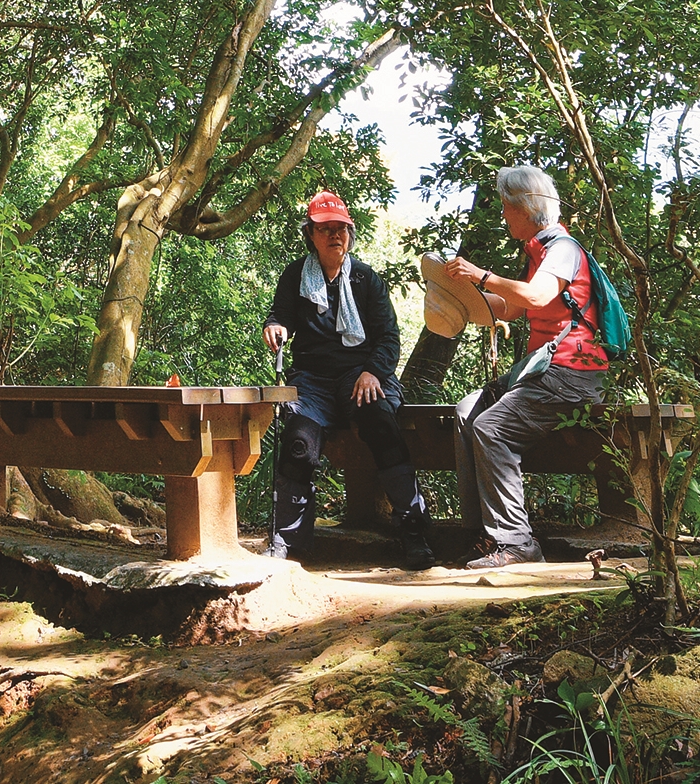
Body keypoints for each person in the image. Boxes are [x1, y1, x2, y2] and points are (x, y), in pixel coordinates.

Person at [416, 165, 619, 573]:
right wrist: (457, 299)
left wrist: (483, 275)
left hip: (571, 374)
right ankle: (488, 534)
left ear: (526, 208)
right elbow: (511, 306)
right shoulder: (538, 251)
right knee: (466, 411)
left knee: (492, 427)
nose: (504, 216)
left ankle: (516, 542)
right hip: (544, 372)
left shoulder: (563, 247)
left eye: (508, 208)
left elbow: (538, 294)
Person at [259, 190, 433, 565]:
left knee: (381, 426)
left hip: (361, 376)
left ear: (350, 234)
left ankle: (413, 531)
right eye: (325, 230)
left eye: (341, 228)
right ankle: (289, 542)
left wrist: (373, 372)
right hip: (312, 380)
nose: (334, 235)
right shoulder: (295, 276)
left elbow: (388, 337)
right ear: (311, 235)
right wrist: (274, 326)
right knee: (298, 442)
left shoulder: (366, 280)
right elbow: (280, 316)